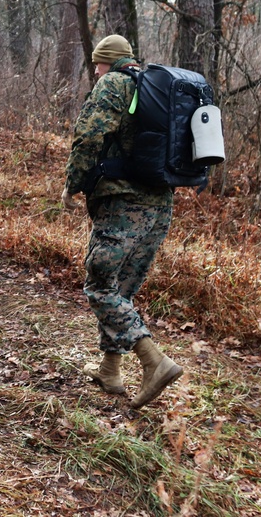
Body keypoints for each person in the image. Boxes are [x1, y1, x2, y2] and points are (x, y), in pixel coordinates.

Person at [62, 34, 184, 409]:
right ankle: (111, 370)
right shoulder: (151, 88)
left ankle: (154, 362)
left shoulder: (113, 83)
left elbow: (88, 137)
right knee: (121, 290)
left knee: (100, 285)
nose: (95, 70)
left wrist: (73, 183)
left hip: (123, 203)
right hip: (160, 204)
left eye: (97, 64)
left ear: (107, 62)